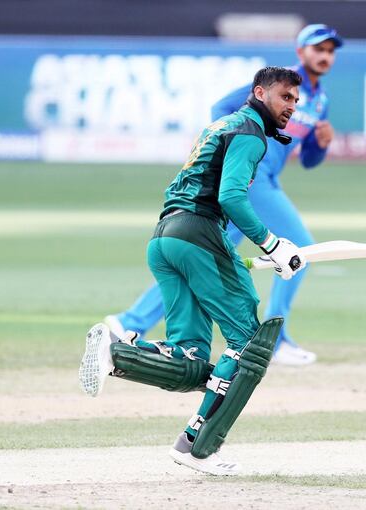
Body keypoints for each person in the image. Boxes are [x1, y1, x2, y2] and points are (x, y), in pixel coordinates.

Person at [78, 66, 307, 475]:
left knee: (190, 358)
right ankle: (198, 446)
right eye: (284, 97)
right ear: (260, 92)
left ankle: (114, 350)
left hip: (166, 236)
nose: (291, 106)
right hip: (198, 232)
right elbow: (232, 197)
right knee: (249, 344)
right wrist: (272, 243)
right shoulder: (250, 133)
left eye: (295, 100)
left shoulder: (224, 124)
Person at [104, 24, 343, 366]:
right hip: (249, 181)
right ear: (300, 51)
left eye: (331, 50)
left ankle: (129, 323)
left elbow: (308, 160)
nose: (324, 56)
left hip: (262, 181)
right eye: (318, 48)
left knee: (203, 257)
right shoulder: (275, 86)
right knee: (299, 249)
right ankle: (275, 339)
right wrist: (233, 153)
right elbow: (221, 109)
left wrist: (322, 144)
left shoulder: (319, 100)